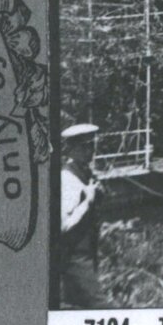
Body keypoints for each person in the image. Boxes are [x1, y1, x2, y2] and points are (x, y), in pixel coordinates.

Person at [56, 122, 107, 307]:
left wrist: (98, 195)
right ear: (72, 149)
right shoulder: (67, 179)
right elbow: (62, 225)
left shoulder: (85, 172)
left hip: (88, 252)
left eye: (92, 145)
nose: (91, 151)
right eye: (86, 146)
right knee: (102, 307)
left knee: (76, 304)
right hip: (75, 257)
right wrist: (88, 202)